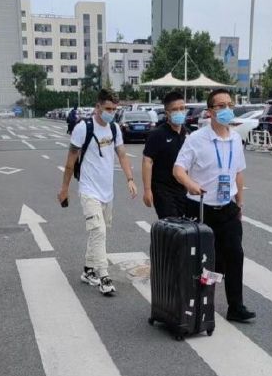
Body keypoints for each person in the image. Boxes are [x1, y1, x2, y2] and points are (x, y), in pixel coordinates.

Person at [173, 89, 256, 323]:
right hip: (201, 208)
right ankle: (201, 303)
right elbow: (178, 169)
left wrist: (240, 203)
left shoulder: (236, 139)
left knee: (235, 255)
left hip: (227, 208)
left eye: (229, 104)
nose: (226, 109)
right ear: (210, 112)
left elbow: (238, 173)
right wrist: (190, 184)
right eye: (221, 106)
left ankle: (236, 306)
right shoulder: (196, 139)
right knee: (205, 260)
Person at [58, 90, 137, 296]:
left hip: (107, 192)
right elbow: (70, 162)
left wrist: (130, 179)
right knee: (99, 231)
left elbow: (122, 155)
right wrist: (64, 189)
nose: (111, 112)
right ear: (98, 107)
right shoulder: (83, 128)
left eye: (114, 109)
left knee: (98, 232)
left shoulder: (114, 128)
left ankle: (88, 270)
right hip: (88, 190)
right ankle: (104, 277)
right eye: (108, 108)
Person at [142, 90, 188, 218]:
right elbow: (147, 161)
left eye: (182, 108)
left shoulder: (186, 133)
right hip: (163, 190)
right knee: (172, 226)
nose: (179, 112)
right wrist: (147, 190)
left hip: (182, 189)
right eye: (175, 109)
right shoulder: (157, 134)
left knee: (185, 229)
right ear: (167, 113)